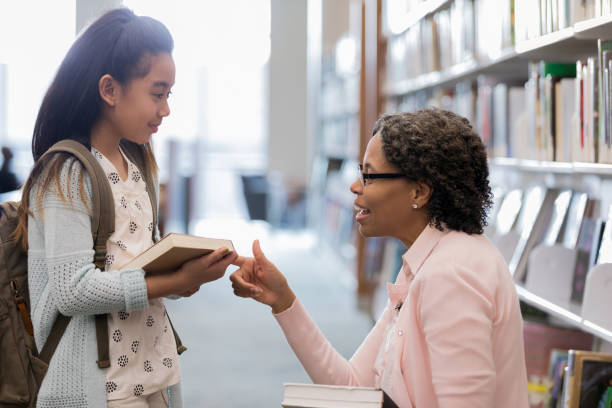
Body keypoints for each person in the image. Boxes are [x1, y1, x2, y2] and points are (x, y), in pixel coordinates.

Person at [230, 108, 529, 407]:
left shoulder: (451, 275)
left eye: (369, 175)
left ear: (419, 192)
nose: (355, 186)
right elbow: (351, 387)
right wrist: (283, 300)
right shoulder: (426, 262)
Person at [15, 8, 236, 408]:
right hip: (101, 387)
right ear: (110, 90)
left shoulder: (136, 166)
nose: (166, 109)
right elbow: (73, 289)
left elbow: (131, 265)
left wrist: (182, 274)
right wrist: (173, 281)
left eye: (170, 95)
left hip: (152, 369)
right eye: (157, 93)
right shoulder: (66, 172)